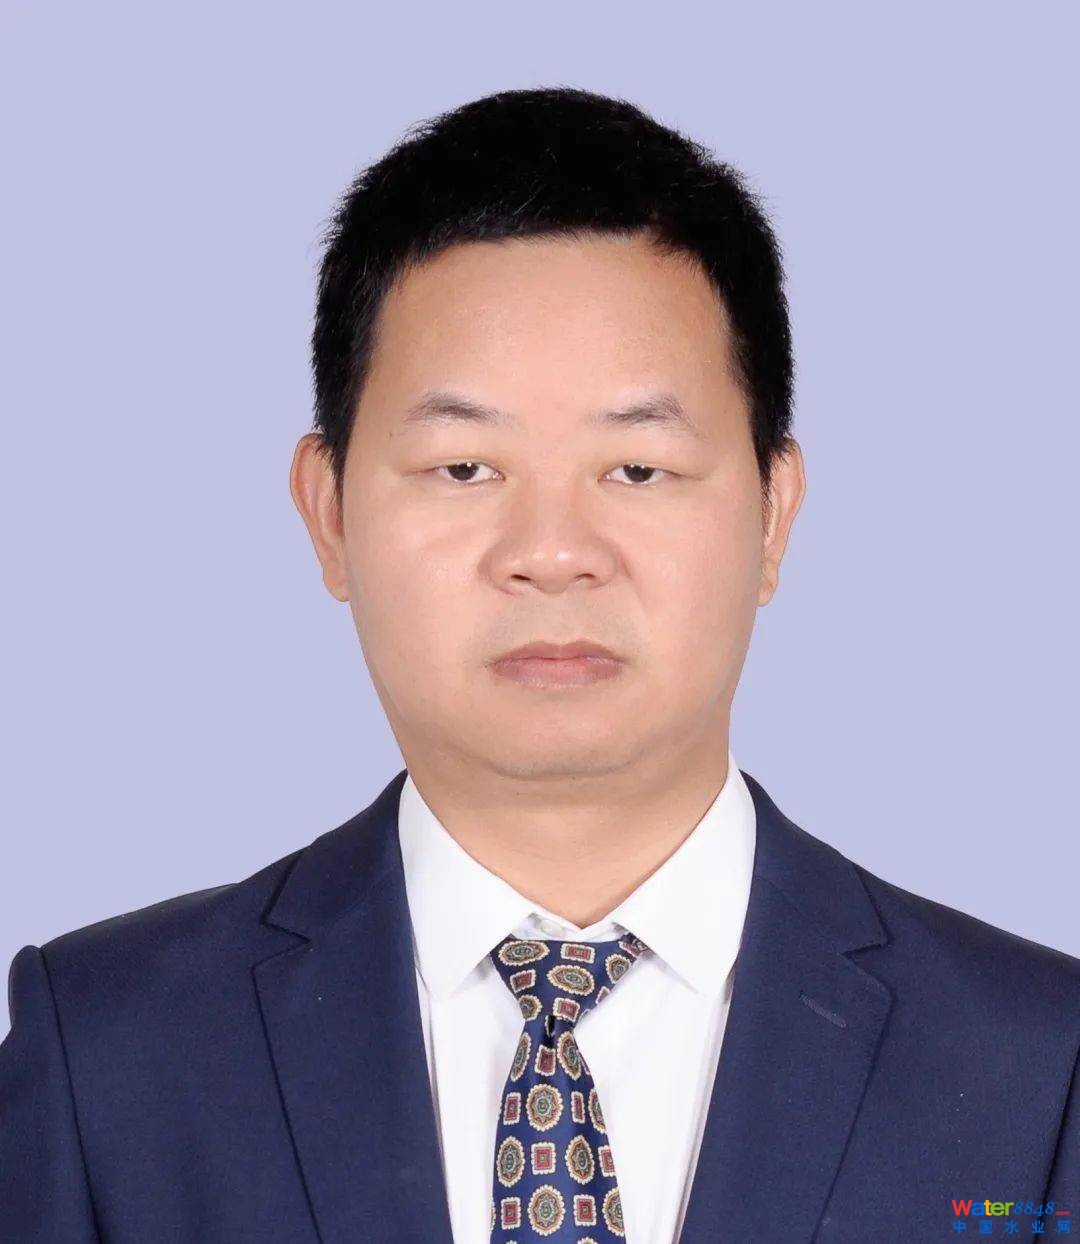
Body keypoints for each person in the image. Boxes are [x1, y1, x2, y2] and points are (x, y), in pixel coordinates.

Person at [1, 86, 1077, 1243]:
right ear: (329, 513)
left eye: (638, 469)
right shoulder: (109, 1054)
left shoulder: (1040, 1067)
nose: (554, 553)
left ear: (773, 513)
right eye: (465, 467)